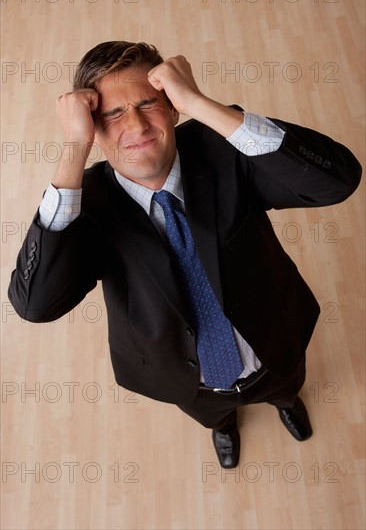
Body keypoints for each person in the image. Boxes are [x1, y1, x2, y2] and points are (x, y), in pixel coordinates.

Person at [8, 41, 362, 469]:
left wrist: (200, 102)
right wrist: (74, 148)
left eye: (148, 103)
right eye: (112, 115)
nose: (136, 126)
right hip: (180, 374)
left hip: (274, 340)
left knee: (287, 387)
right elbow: (35, 304)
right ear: (93, 129)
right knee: (213, 414)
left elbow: (336, 182)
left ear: (173, 107)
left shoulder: (223, 146)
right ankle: (224, 427)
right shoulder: (87, 203)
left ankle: (285, 403)